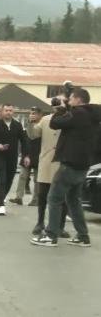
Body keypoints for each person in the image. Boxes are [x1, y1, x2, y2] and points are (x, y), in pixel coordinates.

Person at [32, 88, 101, 247]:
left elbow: (55, 124)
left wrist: (60, 109)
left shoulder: (78, 114)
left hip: (69, 163)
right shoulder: (93, 115)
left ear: (77, 99)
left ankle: (51, 235)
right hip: (83, 164)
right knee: (73, 200)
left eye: (70, 99)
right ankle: (83, 236)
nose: (69, 101)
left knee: (54, 198)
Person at [27, 97, 69, 237]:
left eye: (60, 104)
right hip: (46, 163)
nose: (57, 107)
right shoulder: (45, 119)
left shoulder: (71, 119)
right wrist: (31, 122)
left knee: (63, 198)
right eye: (55, 104)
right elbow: (33, 135)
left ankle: (60, 226)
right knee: (42, 196)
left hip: (63, 164)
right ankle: (40, 222)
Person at [0, 103, 30, 216]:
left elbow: (24, 141)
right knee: (2, 179)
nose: (8, 112)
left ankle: (1, 197)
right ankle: (1, 206)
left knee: (9, 179)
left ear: (13, 112)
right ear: (2, 112)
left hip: (12, 156)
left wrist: (26, 155)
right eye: (6, 110)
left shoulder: (17, 125)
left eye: (10, 110)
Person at [10, 107, 41, 206]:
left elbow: (35, 137)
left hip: (39, 155)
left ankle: (36, 199)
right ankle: (19, 197)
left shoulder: (42, 125)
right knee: (22, 176)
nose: (32, 115)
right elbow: (25, 140)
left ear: (40, 115)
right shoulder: (28, 125)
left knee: (37, 179)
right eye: (31, 113)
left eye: (34, 113)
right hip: (27, 154)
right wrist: (24, 154)